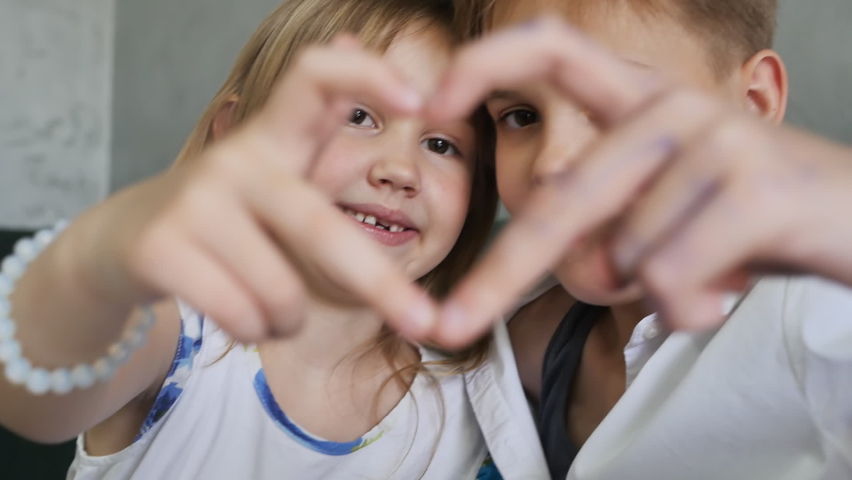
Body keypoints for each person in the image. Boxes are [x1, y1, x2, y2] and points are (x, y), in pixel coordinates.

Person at [0, 0, 502, 478]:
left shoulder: (471, 400)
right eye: (356, 116)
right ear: (237, 135)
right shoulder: (174, 328)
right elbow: (31, 400)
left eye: (442, 144)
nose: (399, 169)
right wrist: (93, 264)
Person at [425, 1, 852, 478]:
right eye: (521, 116)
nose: (551, 162)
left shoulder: (808, 305)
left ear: (753, 104)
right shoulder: (518, 333)